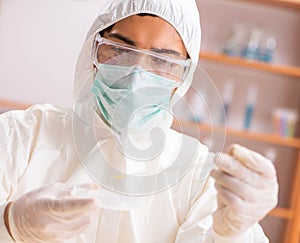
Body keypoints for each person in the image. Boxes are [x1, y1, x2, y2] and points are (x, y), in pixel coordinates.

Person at [0, 0, 278, 242]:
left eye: (162, 61)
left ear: (182, 78)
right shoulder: (22, 135)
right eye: (120, 50)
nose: (136, 76)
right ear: (93, 52)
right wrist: (10, 223)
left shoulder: (198, 177)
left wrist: (234, 233)